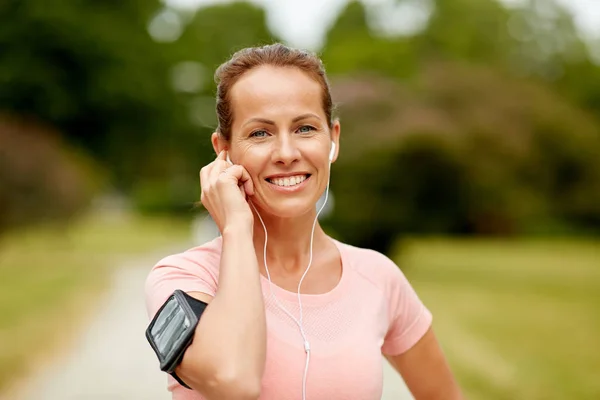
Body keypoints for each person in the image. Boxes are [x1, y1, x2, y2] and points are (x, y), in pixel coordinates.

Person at [144, 43, 462, 400]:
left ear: (333, 140)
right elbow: (234, 380)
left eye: (305, 129)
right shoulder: (185, 278)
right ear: (223, 151)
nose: (286, 153)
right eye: (260, 133)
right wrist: (234, 226)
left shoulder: (378, 278)